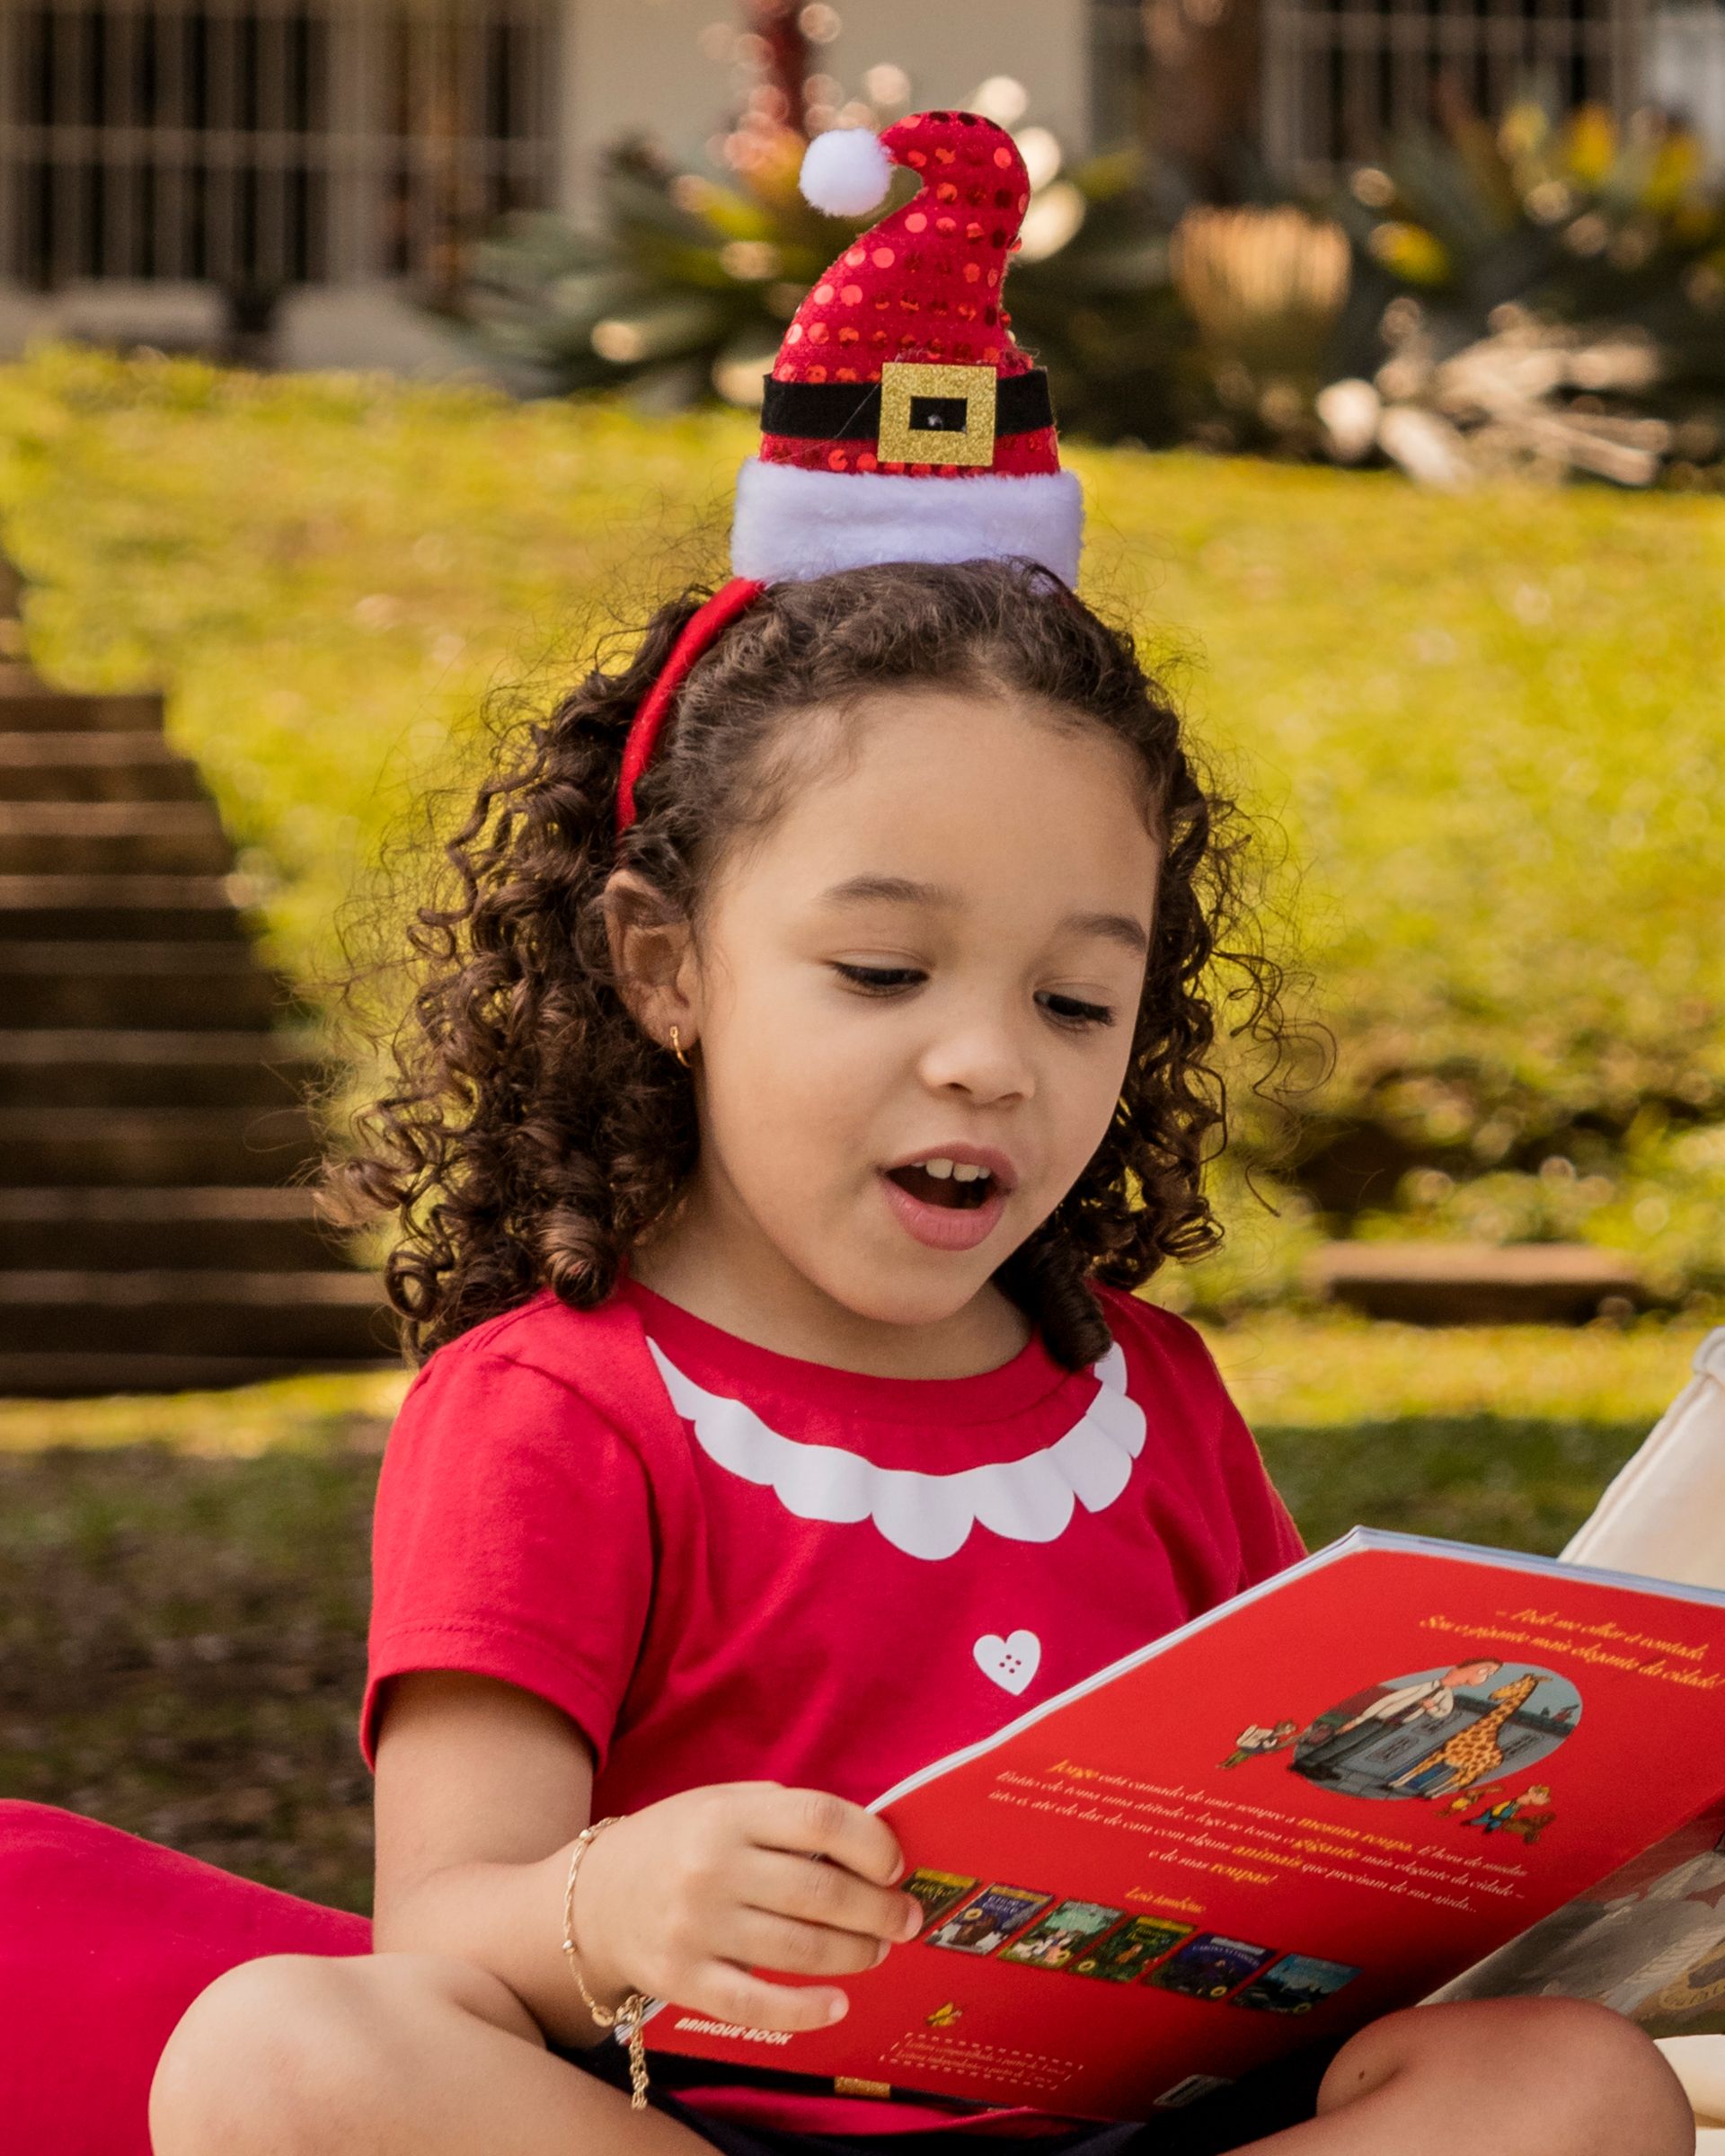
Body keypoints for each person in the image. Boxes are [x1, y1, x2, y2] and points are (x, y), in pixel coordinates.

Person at [147, 108, 1691, 2156]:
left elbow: (1300, 1855)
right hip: (707, 2134)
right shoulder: (556, 1408)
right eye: (883, 977)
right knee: (276, 2056)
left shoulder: (1141, 1395)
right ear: (662, 962)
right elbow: (446, 1924)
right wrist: (620, 1903)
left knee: (1568, 2079)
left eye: (1074, 999)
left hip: (1147, 2124)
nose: (989, 1065)